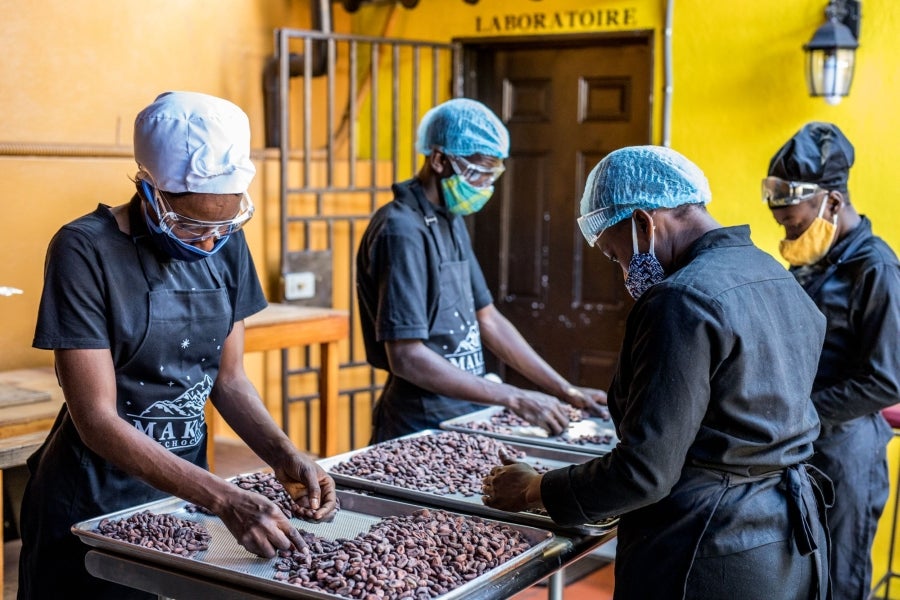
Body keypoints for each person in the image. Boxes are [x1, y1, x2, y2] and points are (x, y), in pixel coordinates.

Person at [18, 91, 338, 599]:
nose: (210, 243)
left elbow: (228, 380)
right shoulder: (85, 249)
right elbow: (97, 420)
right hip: (94, 501)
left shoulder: (227, 244)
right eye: (190, 225)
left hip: (184, 499)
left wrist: (283, 454)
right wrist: (225, 499)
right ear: (149, 190)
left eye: (223, 227)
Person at [482, 145, 833, 599]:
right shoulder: (772, 273)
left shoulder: (681, 300)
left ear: (644, 224)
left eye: (616, 255)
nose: (624, 272)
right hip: (788, 542)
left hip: (709, 551)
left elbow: (645, 473)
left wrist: (536, 489)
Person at [355, 98, 607, 443]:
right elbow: (407, 356)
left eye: (492, 175)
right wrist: (514, 396)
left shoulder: (450, 219)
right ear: (440, 160)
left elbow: (487, 318)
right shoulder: (401, 231)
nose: (485, 186)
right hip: (420, 420)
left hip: (467, 410)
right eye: (477, 173)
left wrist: (564, 388)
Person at [762, 122, 900, 600]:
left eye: (794, 225)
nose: (789, 235)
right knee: (800, 579)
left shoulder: (877, 270)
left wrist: (799, 413)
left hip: (847, 450)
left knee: (838, 583)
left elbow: (886, 381)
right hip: (804, 445)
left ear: (833, 204)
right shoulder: (816, 261)